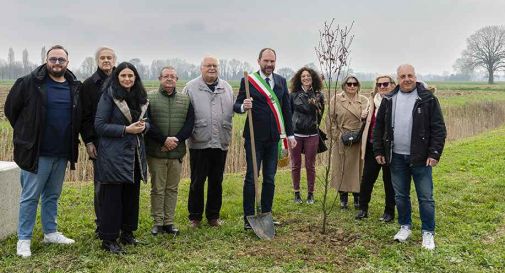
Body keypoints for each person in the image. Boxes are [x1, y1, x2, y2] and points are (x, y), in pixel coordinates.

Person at [4, 45, 82, 258]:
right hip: (36, 152)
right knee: (30, 196)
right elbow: (11, 109)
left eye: (61, 60)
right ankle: (24, 239)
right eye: (53, 59)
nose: (57, 63)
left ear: (68, 62)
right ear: (46, 60)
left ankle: (50, 232)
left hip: (62, 151)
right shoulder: (29, 82)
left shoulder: (73, 86)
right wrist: (25, 133)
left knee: (52, 195)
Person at [373, 64, 446, 250]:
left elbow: (438, 129)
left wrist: (434, 153)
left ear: (415, 76)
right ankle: (405, 226)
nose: (407, 79)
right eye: (403, 76)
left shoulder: (427, 99)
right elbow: (379, 127)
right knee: (401, 196)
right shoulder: (389, 99)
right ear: (397, 79)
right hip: (396, 157)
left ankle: (428, 232)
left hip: (421, 158)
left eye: (410, 75)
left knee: (426, 197)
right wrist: (379, 151)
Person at [234, 48, 296, 230]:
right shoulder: (248, 81)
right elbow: (237, 105)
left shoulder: (281, 81)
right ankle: (248, 217)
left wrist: (290, 135)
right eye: (266, 61)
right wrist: (243, 107)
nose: (269, 64)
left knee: (270, 177)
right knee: (252, 177)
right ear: (259, 61)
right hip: (254, 138)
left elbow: (286, 110)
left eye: (272, 61)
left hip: (274, 139)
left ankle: (267, 214)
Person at [94, 62, 150, 254]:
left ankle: (127, 233)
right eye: (123, 76)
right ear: (117, 78)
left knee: (131, 196)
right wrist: (126, 129)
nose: (127, 79)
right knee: (112, 198)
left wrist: (145, 127)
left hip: (134, 154)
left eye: (131, 76)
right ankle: (108, 239)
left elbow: (148, 121)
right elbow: (99, 126)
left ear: (136, 78)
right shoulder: (109, 96)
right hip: (113, 156)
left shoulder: (141, 97)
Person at [182, 56, 234, 228]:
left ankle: (213, 216)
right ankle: (195, 217)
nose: (212, 68)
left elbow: (232, 110)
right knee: (197, 181)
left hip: (220, 141)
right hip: (199, 141)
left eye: (215, 65)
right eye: (208, 65)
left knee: (216, 181)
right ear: (201, 68)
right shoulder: (191, 87)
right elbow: (183, 113)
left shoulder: (226, 87)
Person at [146, 67, 194, 235]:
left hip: (176, 152)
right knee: (158, 188)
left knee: (172, 188)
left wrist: (177, 140)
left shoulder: (185, 100)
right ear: (160, 78)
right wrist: (163, 140)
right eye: (166, 76)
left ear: (177, 79)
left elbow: (190, 124)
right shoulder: (149, 98)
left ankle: (169, 222)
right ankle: (158, 222)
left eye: (172, 76)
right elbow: (147, 123)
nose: (169, 79)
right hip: (156, 151)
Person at [81, 46, 116, 237]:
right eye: (102, 58)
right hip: (99, 143)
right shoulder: (88, 85)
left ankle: (117, 222)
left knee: (120, 185)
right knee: (101, 186)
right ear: (97, 61)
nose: (106, 61)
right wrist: (88, 141)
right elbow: (85, 117)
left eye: (109, 57)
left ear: (114, 60)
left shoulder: (123, 80)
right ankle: (101, 224)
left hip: (120, 141)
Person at [356, 75, 396, 221]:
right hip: (372, 145)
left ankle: (389, 211)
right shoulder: (373, 101)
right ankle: (363, 208)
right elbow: (368, 121)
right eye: (379, 85)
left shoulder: (396, 101)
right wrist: (363, 116)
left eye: (386, 84)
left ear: (392, 85)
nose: (383, 87)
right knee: (367, 178)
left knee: (389, 180)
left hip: (389, 147)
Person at [329, 75, 369, 209]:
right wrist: (336, 136)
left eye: (355, 84)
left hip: (358, 139)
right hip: (342, 138)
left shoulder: (364, 100)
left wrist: (363, 121)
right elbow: (330, 120)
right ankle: (343, 197)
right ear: (344, 85)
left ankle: (357, 197)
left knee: (357, 169)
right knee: (341, 169)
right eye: (349, 84)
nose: (352, 86)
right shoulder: (336, 99)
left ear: (358, 86)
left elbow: (370, 121)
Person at [289, 67, 325, 204]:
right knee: (295, 164)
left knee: (310, 165)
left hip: (312, 134)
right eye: (303, 76)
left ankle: (311, 194)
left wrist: (313, 125)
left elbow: (320, 114)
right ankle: (296, 193)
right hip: (296, 134)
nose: (305, 78)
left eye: (308, 76)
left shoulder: (318, 95)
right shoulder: (293, 95)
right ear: (299, 79)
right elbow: (289, 113)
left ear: (313, 78)